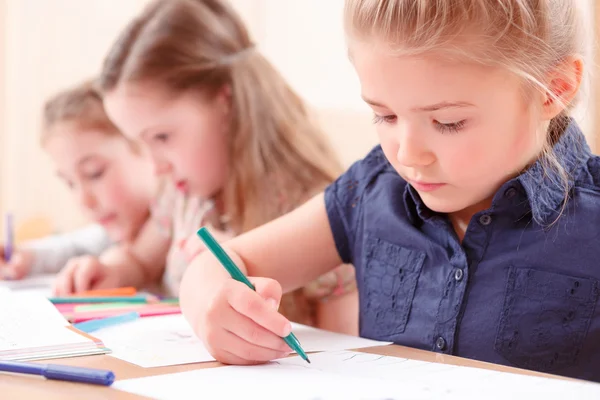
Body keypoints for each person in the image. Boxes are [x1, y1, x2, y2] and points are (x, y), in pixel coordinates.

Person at [179, 0, 600, 382]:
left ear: (554, 89)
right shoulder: (372, 188)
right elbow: (220, 263)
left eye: (448, 122)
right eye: (384, 115)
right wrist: (209, 305)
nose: (409, 155)